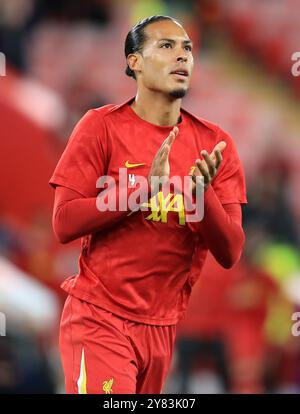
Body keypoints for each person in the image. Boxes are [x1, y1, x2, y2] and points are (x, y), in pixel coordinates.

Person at [49, 15, 247, 394]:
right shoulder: (100, 127)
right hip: (99, 318)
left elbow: (231, 251)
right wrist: (142, 190)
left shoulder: (215, 146)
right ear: (134, 61)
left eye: (187, 48)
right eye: (166, 46)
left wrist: (198, 194)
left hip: (162, 329)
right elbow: (63, 222)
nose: (182, 56)